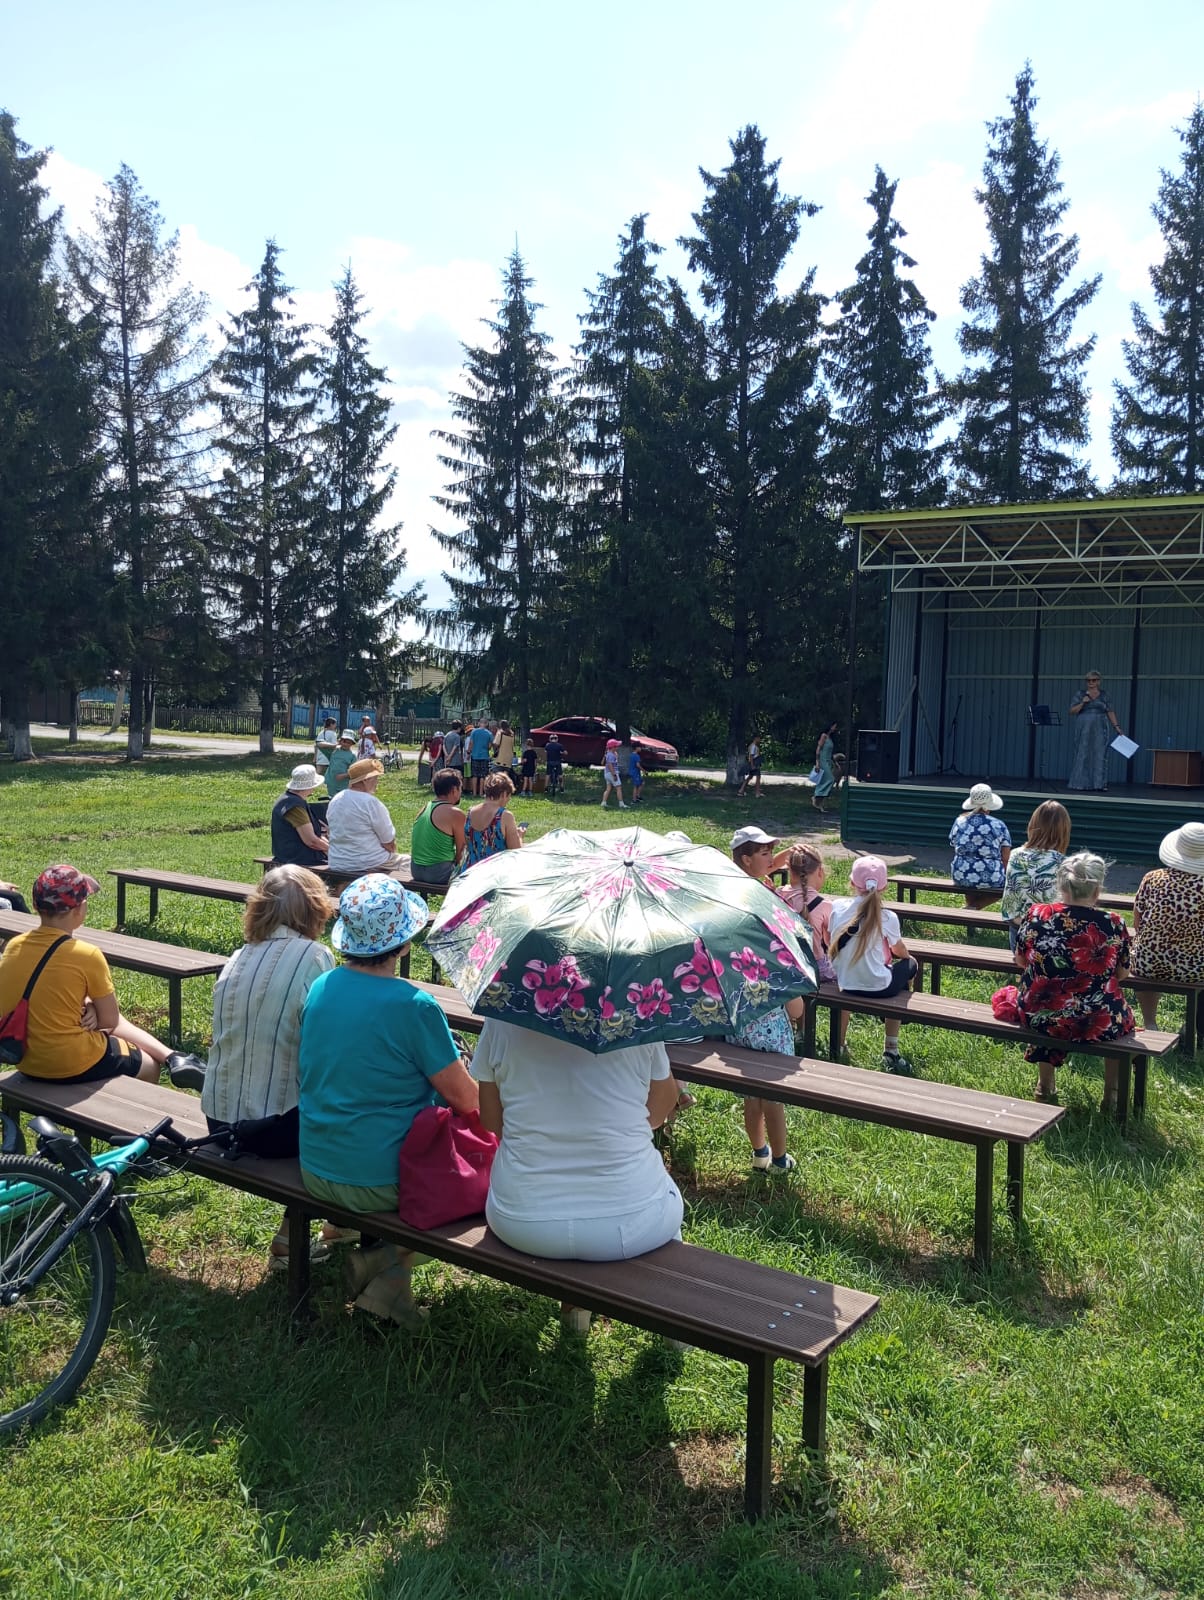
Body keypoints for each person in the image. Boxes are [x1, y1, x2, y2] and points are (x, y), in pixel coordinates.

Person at [299, 876, 479, 1324]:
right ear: (403, 942)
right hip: (380, 1179)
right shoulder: (414, 1005)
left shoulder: (322, 987)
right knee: (485, 1183)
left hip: (318, 1165)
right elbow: (467, 1101)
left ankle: (385, 1272)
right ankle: (390, 1270)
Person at [474, 1019, 682, 1321]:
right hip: (632, 1224)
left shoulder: (503, 1017)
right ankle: (673, 1322)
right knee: (663, 1189)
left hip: (522, 1221)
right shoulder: (636, 1013)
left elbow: (492, 1121)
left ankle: (576, 1312)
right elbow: (660, 1110)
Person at [201, 865, 354, 1272]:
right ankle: (301, 1235)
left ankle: (335, 1223)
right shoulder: (315, 957)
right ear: (315, 910)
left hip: (218, 1118)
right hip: (274, 1126)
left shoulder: (238, 957)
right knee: (358, 1109)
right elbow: (329, 1048)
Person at [0, 864, 206, 1089]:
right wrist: (96, 1011)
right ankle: (132, 1114)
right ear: (80, 909)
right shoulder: (87, 954)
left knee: (99, 1016)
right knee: (149, 1066)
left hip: (25, 1058)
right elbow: (110, 1021)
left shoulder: (13, 946)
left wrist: (89, 1004)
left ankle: (173, 1056)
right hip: (67, 1062)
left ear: (35, 905)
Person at [1014, 852, 1135, 1107]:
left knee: (1047, 1003)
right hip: (1095, 1019)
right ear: (1098, 889)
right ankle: (1111, 1094)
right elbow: (1123, 973)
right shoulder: (1113, 922)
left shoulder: (1036, 914)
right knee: (1117, 1018)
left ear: (1060, 885)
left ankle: (1044, 1085)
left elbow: (1021, 961)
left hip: (1040, 1013)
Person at [729, 826, 804, 1172]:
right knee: (772, 1093)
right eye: (763, 854)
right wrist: (794, 1002)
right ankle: (779, 1159)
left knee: (751, 1092)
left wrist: (775, 861)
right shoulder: (758, 902)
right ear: (746, 859)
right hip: (769, 1017)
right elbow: (778, 959)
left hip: (741, 1014)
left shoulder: (731, 892)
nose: (771, 859)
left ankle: (759, 1153)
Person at [828, 854, 918, 1075]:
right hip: (880, 987)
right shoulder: (888, 917)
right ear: (885, 887)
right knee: (910, 965)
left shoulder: (838, 907)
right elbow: (900, 951)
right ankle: (891, 1049)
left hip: (846, 983)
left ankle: (839, 1045)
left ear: (851, 883)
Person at [1130, 822, 1204, 1031]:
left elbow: (1137, 922)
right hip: (1197, 968)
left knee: (1146, 955)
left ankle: (1151, 1023)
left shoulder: (1152, 878)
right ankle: (1195, 1027)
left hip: (1150, 962)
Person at [1000, 801, 1071, 952]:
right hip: (1049, 932)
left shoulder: (1015, 854)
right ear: (1064, 830)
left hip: (1018, 928)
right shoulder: (1064, 863)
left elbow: (1011, 900)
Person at [326, 758, 402, 878]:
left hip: (337, 862)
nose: (377, 782)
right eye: (376, 778)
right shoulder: (370, 803)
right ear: (367, 780)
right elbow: (389, 843)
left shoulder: (336, 799)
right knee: (412, 865)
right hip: (368, 863)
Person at [949, 783, 1012, 909]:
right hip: (990, 875)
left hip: (960, 874)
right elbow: (1006, 857)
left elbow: (953, 843)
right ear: (989, 805)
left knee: (970, 882)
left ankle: (970, 910)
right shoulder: (999, 824)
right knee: (1005, 888)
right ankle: (974, 907)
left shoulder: (959, 821)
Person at [1067, 670, 1125, 792]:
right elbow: (1072, 711)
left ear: (1099, 681)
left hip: (1100, 725)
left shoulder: (1104, 695)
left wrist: (1117, 727)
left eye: (1093, 680)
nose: (1090, 683)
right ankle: (1080, 783)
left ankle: (1099, 783)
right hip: (1084, 726)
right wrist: (1083, 702)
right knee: (1082, 753)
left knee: (1100, 753)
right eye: (1088, 680)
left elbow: (1110, 711)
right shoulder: (1080, 694)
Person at [410, 769, 467, 886]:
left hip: (415, 870)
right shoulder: (455, 814)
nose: (461, 791)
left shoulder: (424, 808)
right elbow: (461, 851)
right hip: (439, 873)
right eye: (460, 788)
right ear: (454, 790)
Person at [270, 764, 329, 870]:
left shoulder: (290, 800)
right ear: (310, 786)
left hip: (292, 858)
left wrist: (330, 848)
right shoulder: (295, 806)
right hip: (297, 861)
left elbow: (316, 837)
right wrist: (334, 852)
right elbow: (311, 841)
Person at [462, 771, 524, 869]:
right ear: (504, 794)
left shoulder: (471, 812)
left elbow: (467, 843)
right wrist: (519, 836)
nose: (508, 800)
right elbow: (515, 852)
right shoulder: (505, 815)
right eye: (509, 796)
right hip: (494, 875)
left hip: (470, 872)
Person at [812, 721, 840, 814]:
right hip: (822, 761)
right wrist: (817, 763)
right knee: (830, 779)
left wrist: (835, 763)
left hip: (828, 761)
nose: (835, 728)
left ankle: (820, 802)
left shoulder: (830, 738)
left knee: (824, 780)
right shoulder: (823, 736)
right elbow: (818, 749)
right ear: (830, 726)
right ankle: (816, 796)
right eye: (834, 726)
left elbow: (831, 753)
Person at [466, 718, 494, 796]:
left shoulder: (474, 732)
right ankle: (481, 793)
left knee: (474, 775)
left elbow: (471, 743)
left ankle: (474, 793)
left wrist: (468, 752)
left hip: (475, 756)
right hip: (484, 756)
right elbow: (490, 746)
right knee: (483, 775)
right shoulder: (489, 733)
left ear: (479, 723)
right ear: (486, 724)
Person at [325, 730, 357, 796]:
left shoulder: (352, 755)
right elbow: (320, 745)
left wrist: (344, 775)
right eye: (344, 741)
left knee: (341, 799)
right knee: (331, 798)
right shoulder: (334, 750)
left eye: (349, 742)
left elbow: (354, 772)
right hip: (331, 781)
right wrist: (336, 744)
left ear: (352, 744)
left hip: (343, 783)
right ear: (340, 741)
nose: (346, 744)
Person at [600, 738, 627, 809]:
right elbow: (610, 765)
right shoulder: (611, 755)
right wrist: (614, 774)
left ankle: (603, 802)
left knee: (608, 788)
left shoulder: (609, 754)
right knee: (618, 787)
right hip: (612, 773)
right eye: (616, 746)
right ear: (613, 747)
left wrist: (616, 756)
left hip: (607, 773)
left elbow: (604, 763)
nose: (617, 747)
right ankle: (621, 803)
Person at [737, 735, 762, 800]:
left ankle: (741, 790)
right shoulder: (753, 746)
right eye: (759, 738)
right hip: (754, 764)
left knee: (750, 777)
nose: (760, 740)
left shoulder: (752, 746)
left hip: (753, 763)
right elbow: (751, 756)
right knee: (758, 777)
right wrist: (752, 765)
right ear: (755, 738)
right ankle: (757, 793)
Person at [545, 731, 564, 797]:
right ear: (556, 739)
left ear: (550, 739)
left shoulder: (547, 745)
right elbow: (563, 752)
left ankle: (546, 788)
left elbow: (545, 751)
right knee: (560, 774)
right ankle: (561, 788)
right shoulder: (559, 745)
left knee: (548, 774)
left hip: (549, 762)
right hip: (557, 762)